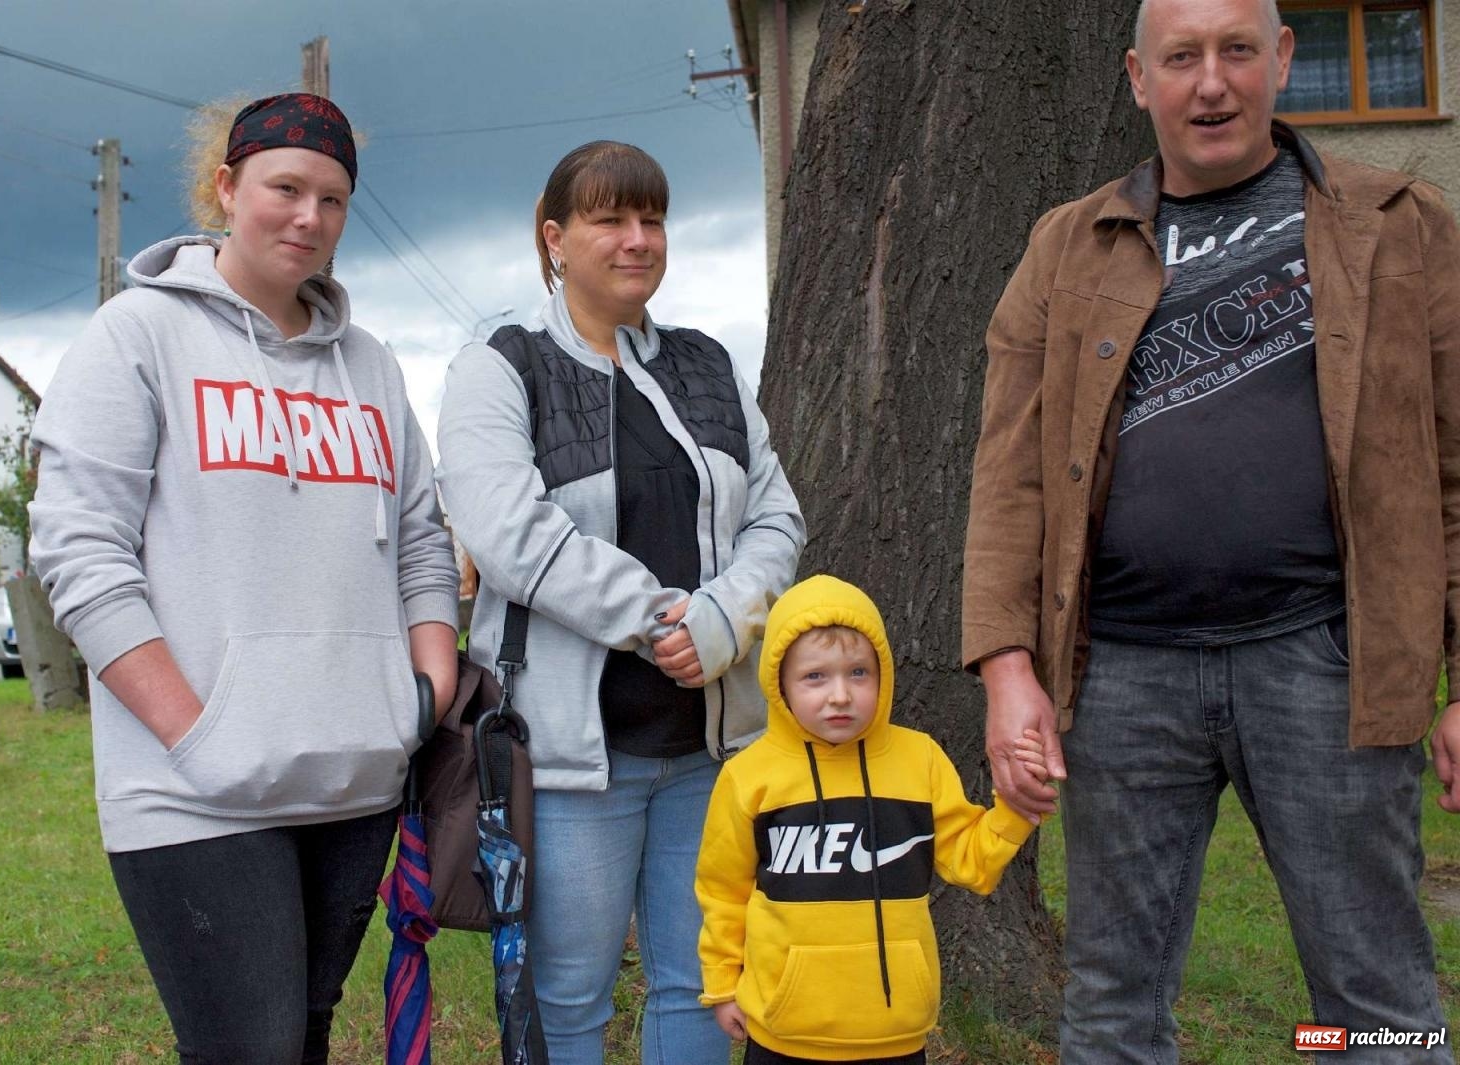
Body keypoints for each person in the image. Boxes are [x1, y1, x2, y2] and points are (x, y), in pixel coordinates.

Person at [962, 0, 1460, 1060]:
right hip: (1121, 677)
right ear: (1138, 78)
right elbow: (1008, 478)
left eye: (1237, 51)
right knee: (1110, 1007)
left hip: (1327, 660)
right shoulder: (1064, 247)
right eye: (1180, 58)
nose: (1211, 83)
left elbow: (1457, 468)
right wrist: (1009, 671)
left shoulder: (1401, 224)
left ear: (1281, 60)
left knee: (1376, 1002)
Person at [29, 92, 459, 1064]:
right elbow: (78, 552)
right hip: (195, 796)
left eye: (334, 199)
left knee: (299, 1040)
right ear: (227, 188)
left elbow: (425, 544)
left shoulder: (373, 368)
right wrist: (197, 733)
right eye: (286, 188)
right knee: (251, 1048)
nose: (310, 217)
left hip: (355, 780)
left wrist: (420, 694)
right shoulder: (135, 337)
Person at [436, 140, 805, 1064]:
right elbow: (511, 535)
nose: (637, 239)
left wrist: (721, 622)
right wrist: (659, 620)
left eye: (652, 218)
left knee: (700, 985)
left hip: (712, 748)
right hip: (567, 762)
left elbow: (778, 515)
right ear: (556, 239)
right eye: (610, 219)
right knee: (566, 999)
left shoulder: (705, 365)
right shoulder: (499, 365)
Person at [694, 575, 1038, 1065]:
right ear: (779, 684)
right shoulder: (749, 776)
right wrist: (723, 983)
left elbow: (970, 862)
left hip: (895, 1031)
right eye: (815, 677)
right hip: (782, 1029)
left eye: (858, 673)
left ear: (884, 676)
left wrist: (1017, 809)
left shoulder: (919, 760)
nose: (840, 695)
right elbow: (722, 890)